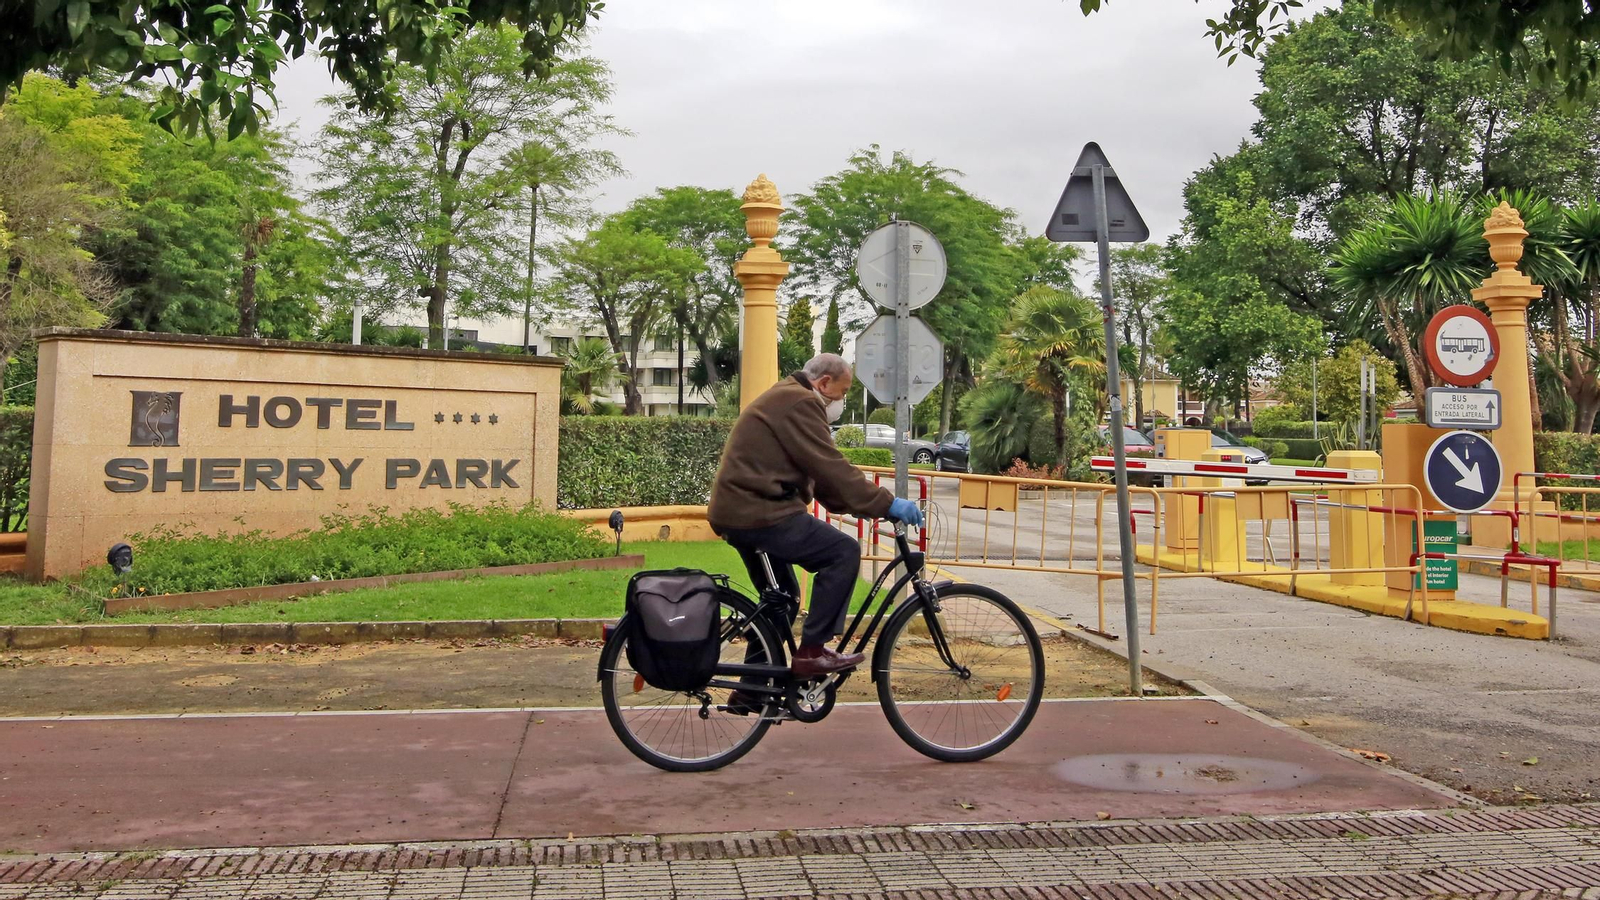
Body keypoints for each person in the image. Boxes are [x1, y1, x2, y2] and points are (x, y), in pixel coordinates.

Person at [708, 353, 924, 680]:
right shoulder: (802, 403)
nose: (842, 401)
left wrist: (867, 505)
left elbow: (822, 479)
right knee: (843, 552)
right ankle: (811, 653)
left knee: (783, 601)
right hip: (760, 511)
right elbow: (831, 467)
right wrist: (887, 504)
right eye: (843, 391)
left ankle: (750, 692)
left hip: (742, 511)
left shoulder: (788, 396)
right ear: (824, 383)